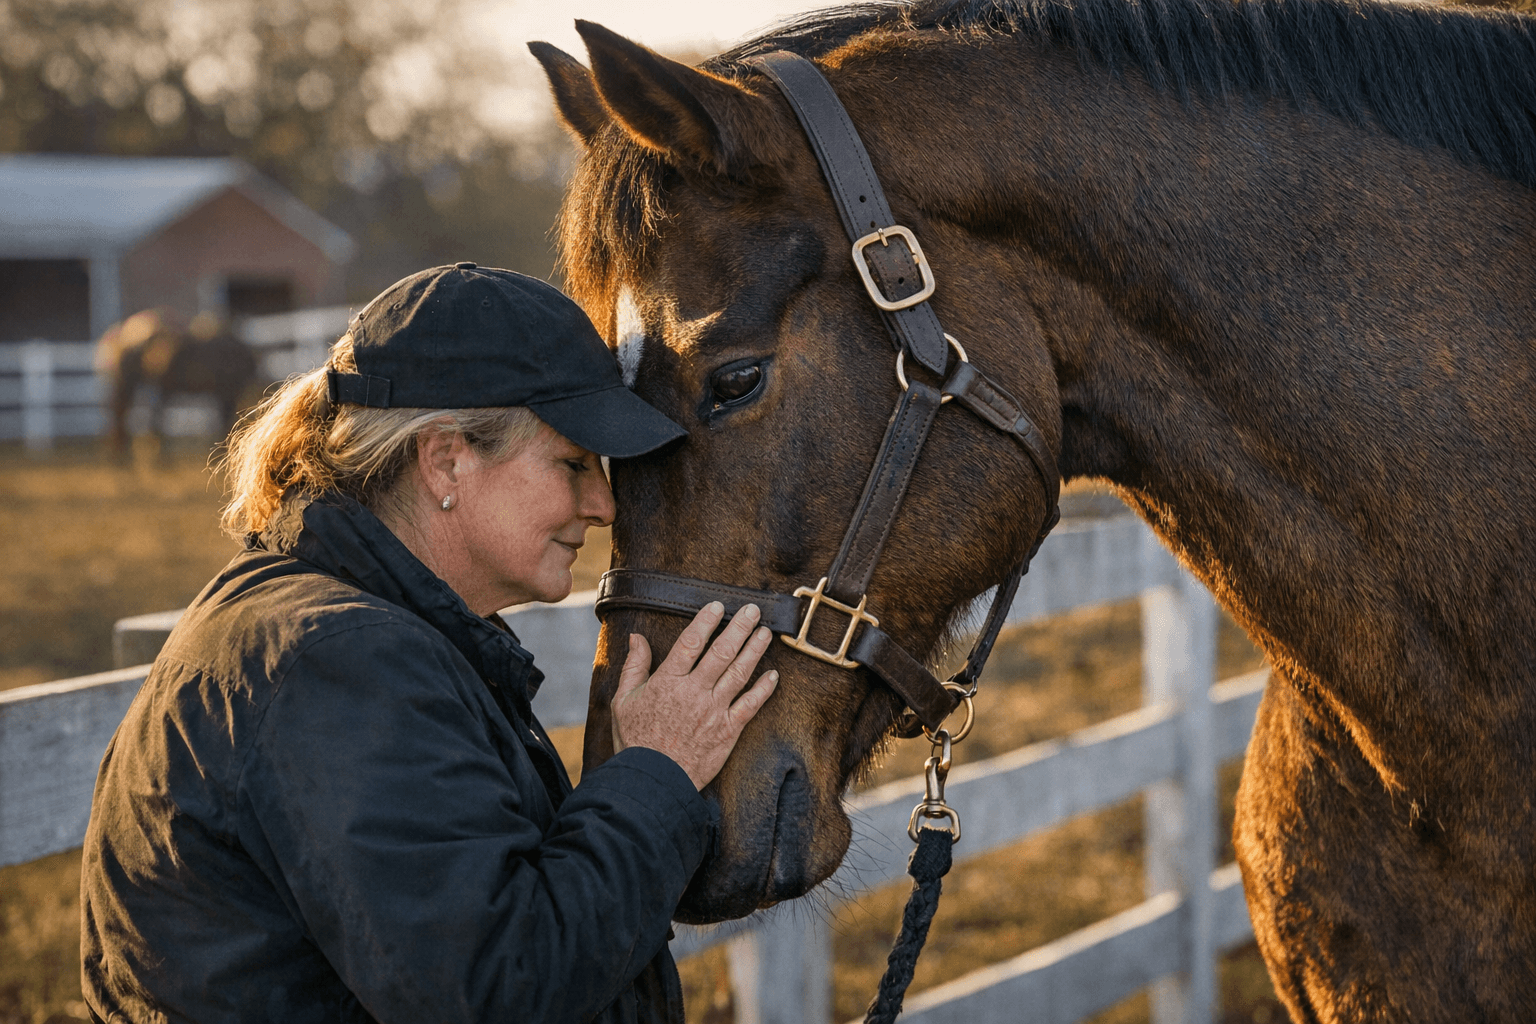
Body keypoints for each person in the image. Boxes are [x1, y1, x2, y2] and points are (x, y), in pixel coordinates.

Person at [79, 263, 779, 1024]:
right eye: (573, 463)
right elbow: (495, 990)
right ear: (445, 459)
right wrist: (657, 772)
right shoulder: (342, 665)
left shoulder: (356, 633)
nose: (603, 504)